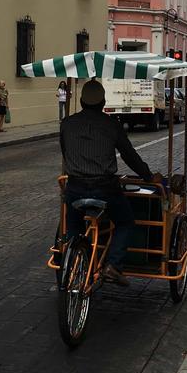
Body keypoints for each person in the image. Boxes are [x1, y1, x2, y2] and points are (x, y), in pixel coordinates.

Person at [61, 79, 158, 286]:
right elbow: (130, 156)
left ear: (81, 101)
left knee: (73, 224)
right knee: (125, 222)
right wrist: (148, 176)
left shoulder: (67, 124)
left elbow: (66, 152)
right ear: (103, 102)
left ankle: (69, 258)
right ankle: (113, 265)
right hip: (105, 188)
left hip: (75, 187)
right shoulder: (111, 124)